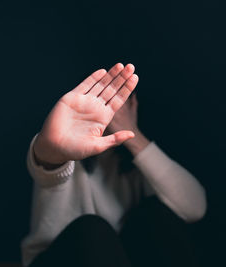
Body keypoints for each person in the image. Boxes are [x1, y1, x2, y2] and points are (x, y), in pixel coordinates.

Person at [21, 63, 207, 267]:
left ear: (133, 104)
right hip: (57, 258)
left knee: (157, 215)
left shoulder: (137, 168)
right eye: (102, 97)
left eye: (119, 98)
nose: (111, 109)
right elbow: (48, 165)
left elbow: (195, 208)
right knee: (92, 228)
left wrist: (133, 135)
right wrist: (52, 150)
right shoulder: (69, 155)